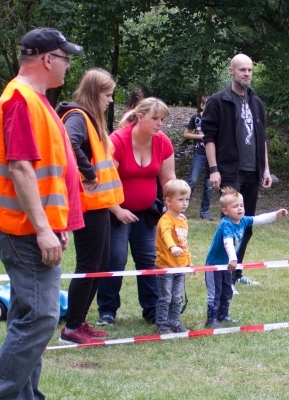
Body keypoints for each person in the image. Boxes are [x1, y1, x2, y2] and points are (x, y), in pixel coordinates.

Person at [0, 27, 81, 400]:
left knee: (30, 317)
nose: (69, 64)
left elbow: (47, 172)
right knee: (40, 319)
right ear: (48, 59)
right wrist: (45, 228)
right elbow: (20, 168)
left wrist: (57, 224)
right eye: (66, 57)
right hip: (25, 232)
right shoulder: (20, 99)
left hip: (34, 230)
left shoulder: (35, 100)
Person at [55, 68, 137, 344]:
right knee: (89, 264)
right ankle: (71, 329)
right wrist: (89, 173)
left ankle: (78, 321)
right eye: (107, 95)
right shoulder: (77, 117)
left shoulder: (88, 119)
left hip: (99, 203)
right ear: (94, 94)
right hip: (87, 204)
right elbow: (68, 142)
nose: (111, 100)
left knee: (100, 264)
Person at [95, 97, 176, 326]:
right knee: (115, 259)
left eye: (163, 119)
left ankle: (152, 309)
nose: (160, 124)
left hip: (146, 212)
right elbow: (103, 183)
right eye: (155, 119)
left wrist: (174, 205)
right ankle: (107, 311)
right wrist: (118, 211)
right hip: (116, 211)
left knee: (149, 260)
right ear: (140, 117)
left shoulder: (163, 142)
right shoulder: (117, 141)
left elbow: (168, 179)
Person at [202, 53, 273, 286]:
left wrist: (265, 169)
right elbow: (209, 137)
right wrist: (214, 169)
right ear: (231, 71)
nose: (247, 74)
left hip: (253, 171)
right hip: (229, 171)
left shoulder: (257, 102)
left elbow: (262, 138)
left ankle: (236, 274)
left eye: (250, 70)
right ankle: (223, 275)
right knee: (228, 227)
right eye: (242, 70)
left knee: (247, 225)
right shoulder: (218, 101)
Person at [204, 187, 288, 328]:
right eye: (235, 206)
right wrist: (233, 258)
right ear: (225, 211)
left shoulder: (243, 220)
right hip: (215, 265)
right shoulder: (226, 224)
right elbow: (228, 242)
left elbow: (258, 219)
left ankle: (223, 315)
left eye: (241, 205)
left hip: (228, 264)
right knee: (215, 293)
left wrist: (276, 214)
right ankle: (211, 320)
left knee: (227, 290)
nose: (240, 209)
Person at [154, 179, 193, 334]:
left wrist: (188, 261)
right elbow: (165, 235)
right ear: (169, 201)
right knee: (166, 297)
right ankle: (162, 324)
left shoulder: (183, 219)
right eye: (180, 199)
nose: (185, 203)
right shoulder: (165, 219)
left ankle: (175, 322)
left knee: (177, 297)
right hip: (166, 265)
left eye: (187, 199)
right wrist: (172, 247)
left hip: (181, 265)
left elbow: (184, 242)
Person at [184, 94, 214, 221]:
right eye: (207, 105)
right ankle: (181, 208)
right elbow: (186, 134)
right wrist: (200, 137)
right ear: (202, 105)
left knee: (209, 184)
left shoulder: (215, 119)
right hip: (199, 153)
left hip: (211, 155)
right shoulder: (196, 118)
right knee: (192, 181)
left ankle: (205, 211)